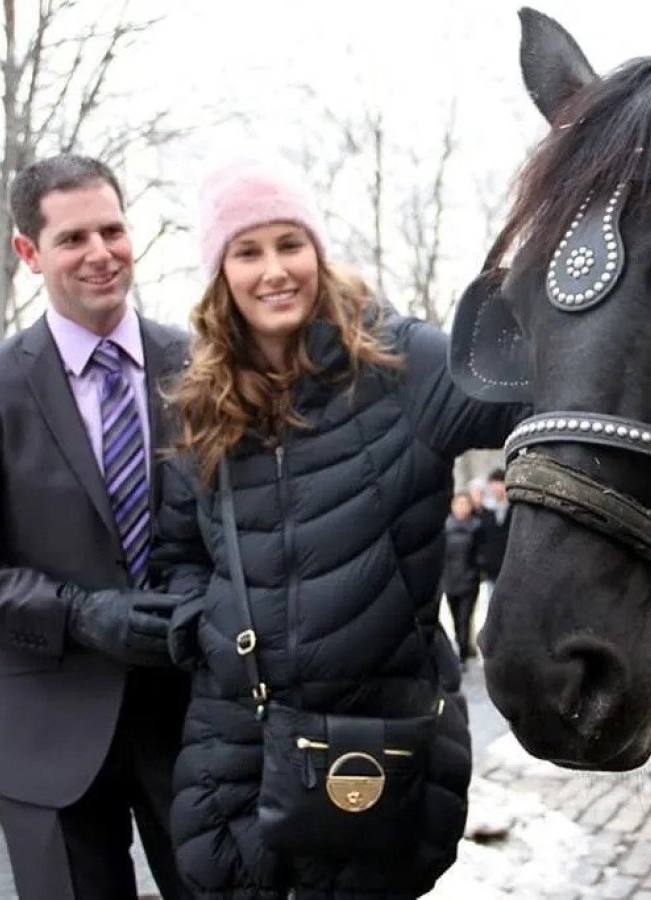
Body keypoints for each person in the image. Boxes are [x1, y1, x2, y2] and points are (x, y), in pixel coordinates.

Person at [153, 159, 523, 899]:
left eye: (290, 244)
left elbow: (540, 406)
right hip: (235, 748)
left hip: (375, 747)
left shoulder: (404, 363)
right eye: (247, 251)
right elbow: (178, 554)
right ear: (221, 273)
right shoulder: (199, 402)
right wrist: (206, 626)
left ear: (318, 251)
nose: (273, 270)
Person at [0, 154, 190, 900]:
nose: (100, 253)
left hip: (196, 725)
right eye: (72, 239)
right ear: (29, 253)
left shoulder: (200, 366)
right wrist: (76, 615)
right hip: (47, 734)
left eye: (112, 230)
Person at [442, 491, 483, 664]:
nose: (461, 507)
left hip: (469, 580)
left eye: (465, 504)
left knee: (465, 618)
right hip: (450, 580)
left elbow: (481, 553)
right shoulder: (445, 527)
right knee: (455, 618)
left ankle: (464, 653)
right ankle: (461, 646)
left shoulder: (477, 527)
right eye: (458, 504)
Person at [476, 468, 511, 597]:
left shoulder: (514, 508)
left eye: (499, 483)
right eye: (493, 484)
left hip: (511, 564)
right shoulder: (485, 511)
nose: (496, 488)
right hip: (491, 568)